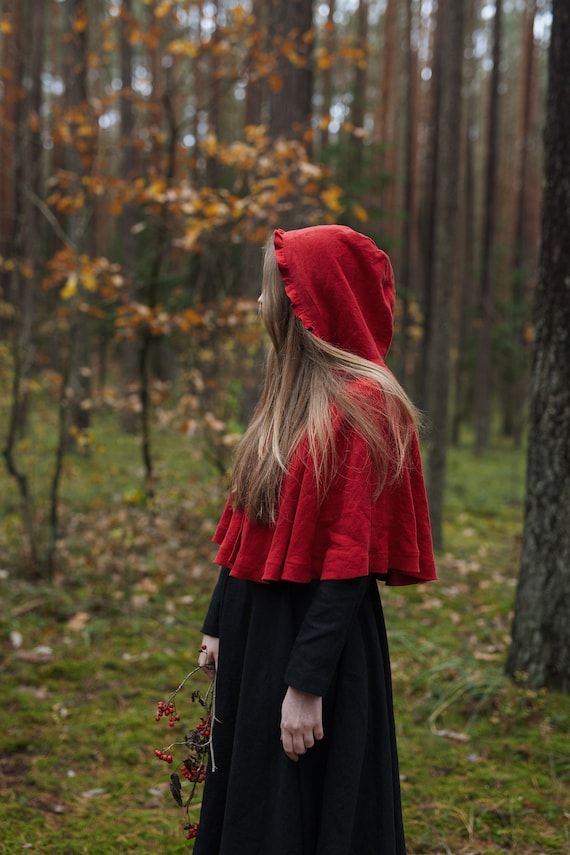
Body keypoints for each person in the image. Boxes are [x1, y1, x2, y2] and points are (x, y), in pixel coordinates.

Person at [194, 225, 437, 855]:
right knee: (255, 798)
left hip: (318, 641)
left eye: (272, 289)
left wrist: (306, 687)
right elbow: (252, 517)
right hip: (256, 627)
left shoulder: (369, 404)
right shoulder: (287, 393)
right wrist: (218, 621)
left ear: (310, 301)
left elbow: (348, 563)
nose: (259, 302)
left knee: (310, 806)